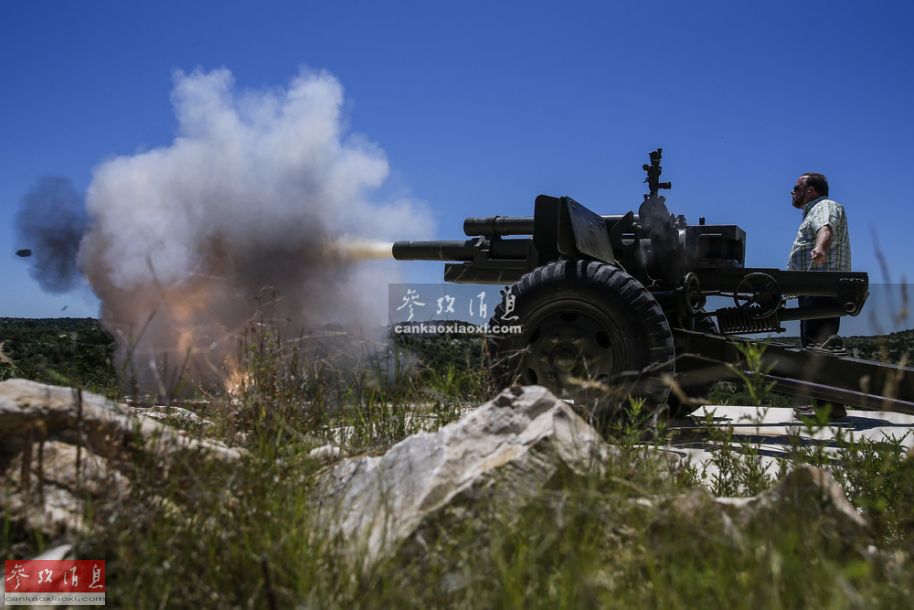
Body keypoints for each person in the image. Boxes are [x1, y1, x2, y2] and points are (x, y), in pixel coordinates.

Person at [787, 172, 852, 419]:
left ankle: (827, 406)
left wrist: (820, 247)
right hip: (815, 285)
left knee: (816, 344)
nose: (793, 192)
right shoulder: (813, 210)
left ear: (811, 190)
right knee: (817, 344)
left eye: (796, 187)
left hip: (820, 284)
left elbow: (826, 227)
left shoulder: (824, 206)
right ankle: (831, 405)